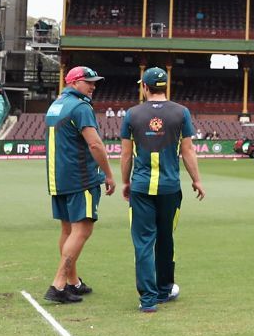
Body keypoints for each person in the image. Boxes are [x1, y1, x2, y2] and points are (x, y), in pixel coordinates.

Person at [119, 68, 206, 314]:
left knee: (144, 242)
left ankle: (148, 300)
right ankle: (165, 289)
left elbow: (126, 155)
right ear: (165, 87)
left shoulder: (132, 114)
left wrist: (125, 182)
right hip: (170, 188)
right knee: (166, 238)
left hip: (141, 187)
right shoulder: (181, 112)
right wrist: (197, 180)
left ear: (145, 87)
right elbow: (188, 151)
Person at [43, 66, 117, 305]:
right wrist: (108, 174)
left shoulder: (56, 104)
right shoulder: (81, 107)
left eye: (95, 82)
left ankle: (73, 282)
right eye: (88, 82)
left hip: (58, 178)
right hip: (81, 178)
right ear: (74, 82)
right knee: (82, 230)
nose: (93, 86)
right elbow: (95, 144)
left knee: (67, 230)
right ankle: (58, 284)